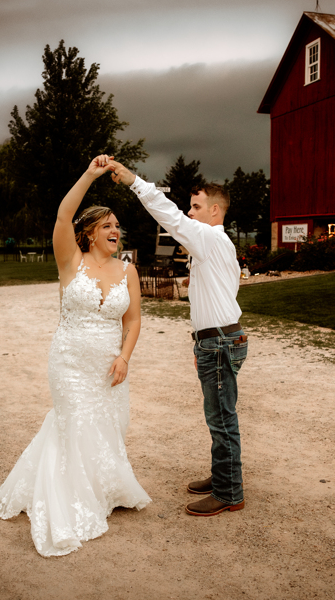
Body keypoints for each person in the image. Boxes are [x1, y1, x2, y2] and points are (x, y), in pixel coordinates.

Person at [0, 155, 151, 556]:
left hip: (107, 364)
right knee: (75, 423)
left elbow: (133, 321)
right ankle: (74, 501)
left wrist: (125, 357)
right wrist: (91, 175)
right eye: (108, 225)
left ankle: (99, 489)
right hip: (69, 362)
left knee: (105, 427)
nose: (116, 230)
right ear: (90, 233)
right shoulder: (70, 262)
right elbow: (63, 217)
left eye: (118, 226)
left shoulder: (127, 270)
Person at [107, 160, 248, 517]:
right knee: (219, 415)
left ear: (215, 210)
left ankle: (230, 493)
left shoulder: (211, 236)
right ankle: (222, 477)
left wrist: (134, 182)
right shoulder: (216, 244)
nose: (189, 212)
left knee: (221, 419)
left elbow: (170, 216)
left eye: (196, 206)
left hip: (218, 341)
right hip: (218, 339)